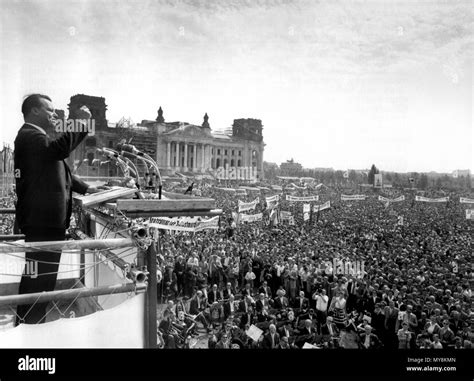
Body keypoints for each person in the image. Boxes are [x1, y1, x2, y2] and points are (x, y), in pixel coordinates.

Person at [14, 94, 104, 325]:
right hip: (43, 223)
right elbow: (59, 151)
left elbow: (61, 171)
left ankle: (29, 321)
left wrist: (87, 189)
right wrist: (82, 124)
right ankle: (30, 327)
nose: (55, 115)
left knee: (38, 277)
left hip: (44, 223)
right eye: (50, 110)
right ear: (34, 111)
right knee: (38, 279)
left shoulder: (37, 138)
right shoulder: (29, 136)